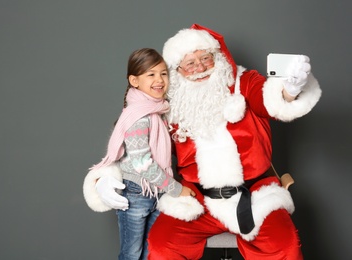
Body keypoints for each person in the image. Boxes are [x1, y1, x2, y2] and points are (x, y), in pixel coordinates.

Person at [146, 24, 322, 260]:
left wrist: (289, 91)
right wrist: (109, 173)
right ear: (177, 71)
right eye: (190, 63)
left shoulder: (244, 81)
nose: (200, 67)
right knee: (161, 244)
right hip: (197, 199)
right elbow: (139, 142)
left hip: (255, 196)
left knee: (284, 246)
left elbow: (269, 99)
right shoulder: (171, 104)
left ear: (217, 58)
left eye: (206, 58)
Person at [83, 48, 195, 260]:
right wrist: (176, 189)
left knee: (149, 252)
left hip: (156, 191)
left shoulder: (158, 110)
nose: (159, 79)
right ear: (134, 81)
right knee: (132, 254)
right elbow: (142, 163)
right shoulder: (139, 116)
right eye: (150, 74)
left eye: (163, 73)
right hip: (136, 193)